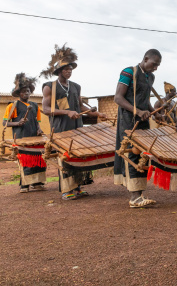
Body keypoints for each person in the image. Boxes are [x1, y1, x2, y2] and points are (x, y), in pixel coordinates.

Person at [41, 44, 106, 200]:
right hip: (61, 128)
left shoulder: (76, 86)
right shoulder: (50, 87)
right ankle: (66, 190)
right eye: (65, 69)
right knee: (65, 157)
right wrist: (66, 112)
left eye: (70, 69)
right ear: (58, 71)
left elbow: (79, 105)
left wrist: (96, 112)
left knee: (77, 155)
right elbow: (44, 108)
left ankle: (77, 187)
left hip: (77, 127)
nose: (69, 71)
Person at [114, 49, 162, 208]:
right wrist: (137, 111)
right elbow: (118, 98)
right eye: (154, 64)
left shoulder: (150, 76)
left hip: (143, 120)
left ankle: (139, 193)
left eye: (158, 66)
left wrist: (154, 114)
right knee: (132, 154)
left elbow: (145, 99)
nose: (155, 68)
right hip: (128, 120)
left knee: (143, 154)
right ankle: (134, 197)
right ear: (146, 58)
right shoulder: (128, 72)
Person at [3, 73, 46, 193]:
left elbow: (37, 121)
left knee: (38, 159)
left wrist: (38, 129)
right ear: (18, 94)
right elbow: (4, 123)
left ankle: (37, 183)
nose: (26, 93)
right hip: (21, 138)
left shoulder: (34, 106)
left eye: (28, 91)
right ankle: (25, 185)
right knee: (25, 160)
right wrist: (17, 123)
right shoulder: (13, 105)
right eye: (23, 91)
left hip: (34, 138)